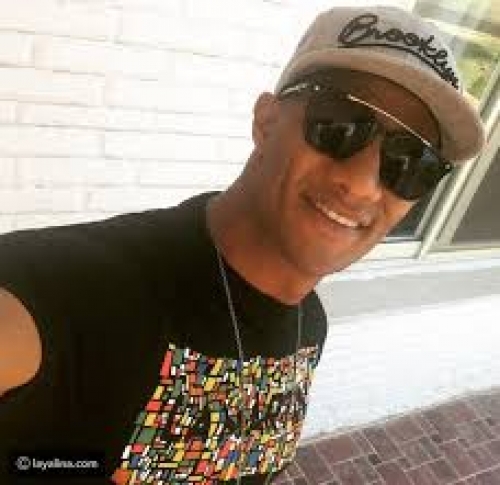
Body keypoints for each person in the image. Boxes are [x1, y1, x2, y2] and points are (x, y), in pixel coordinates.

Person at [0, 5, 485, 485]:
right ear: (266, 121)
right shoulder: (72, 294)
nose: (362, 185)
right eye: (340, 123)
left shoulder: (308, 324)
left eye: (413, 161)